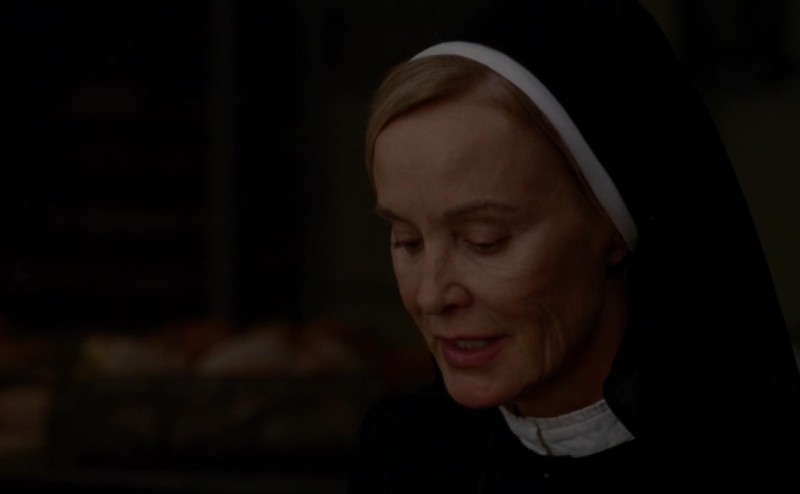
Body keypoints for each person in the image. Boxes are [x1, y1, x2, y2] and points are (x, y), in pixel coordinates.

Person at [349, 0, 800, 491]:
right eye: (408, 241)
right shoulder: (402, 454)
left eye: (485, 241)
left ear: (615, 228)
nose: (431, 295)